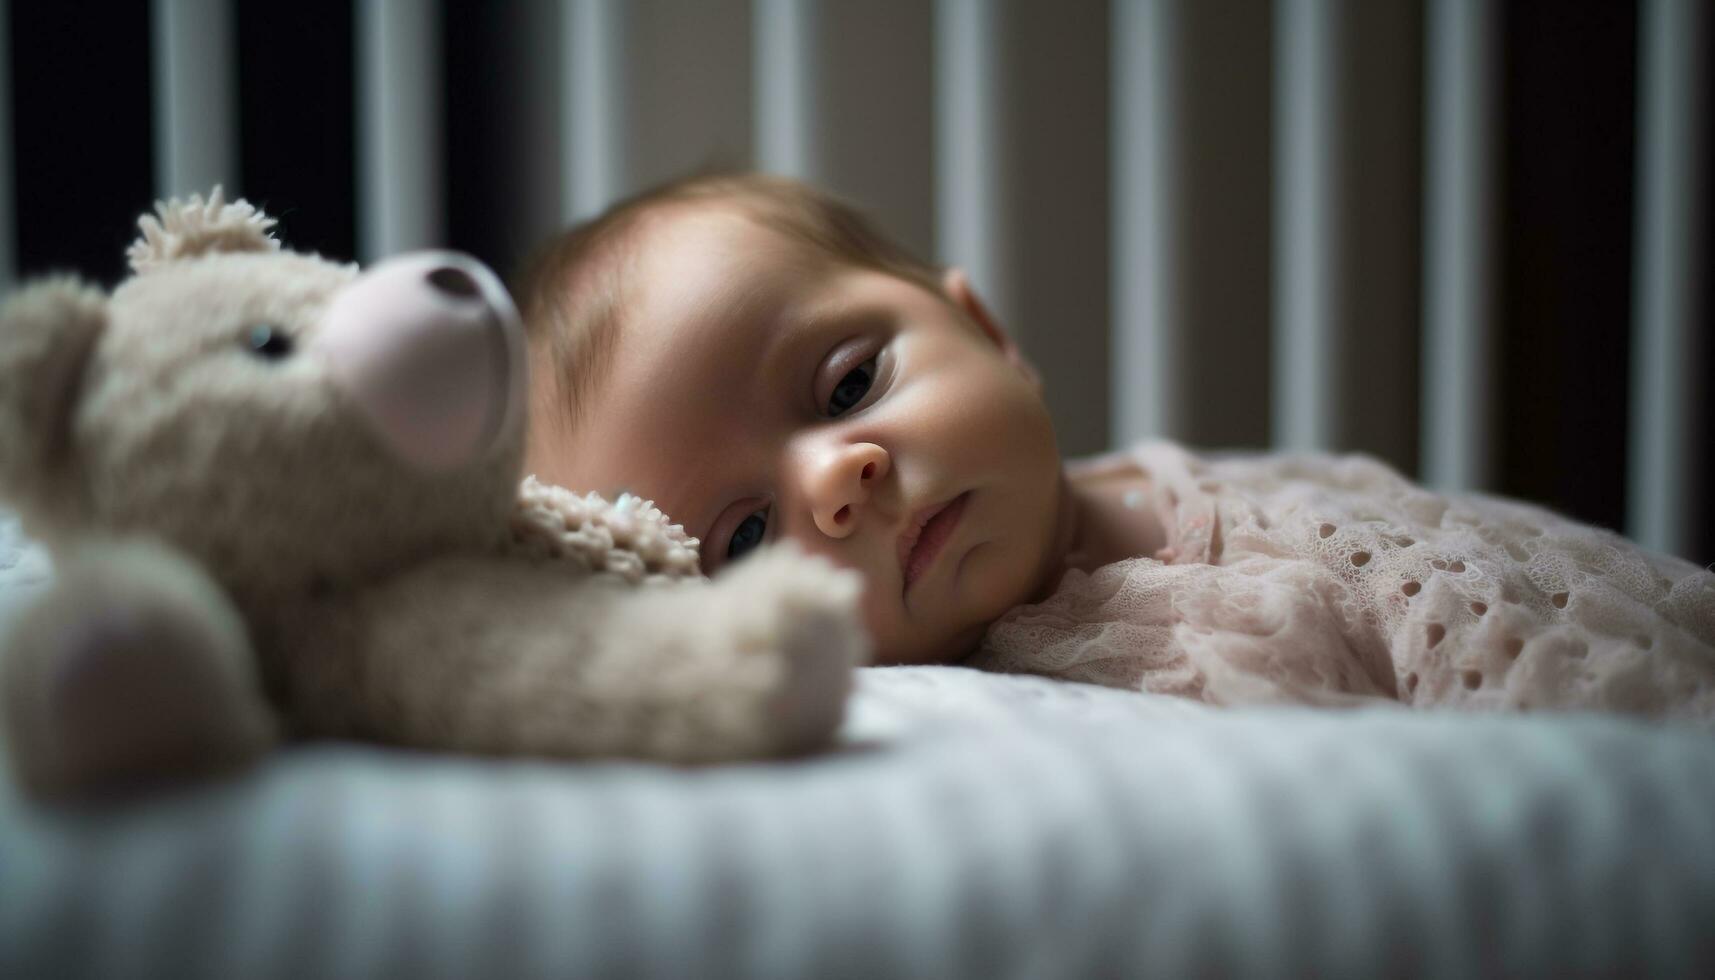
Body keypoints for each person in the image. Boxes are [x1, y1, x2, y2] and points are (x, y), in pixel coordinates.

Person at [517, 172, 1715, 721]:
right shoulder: (1089, 682)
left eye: (847, 383)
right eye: (742, 534)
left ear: (983, 329)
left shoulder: (1195, 468)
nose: (838, 480)